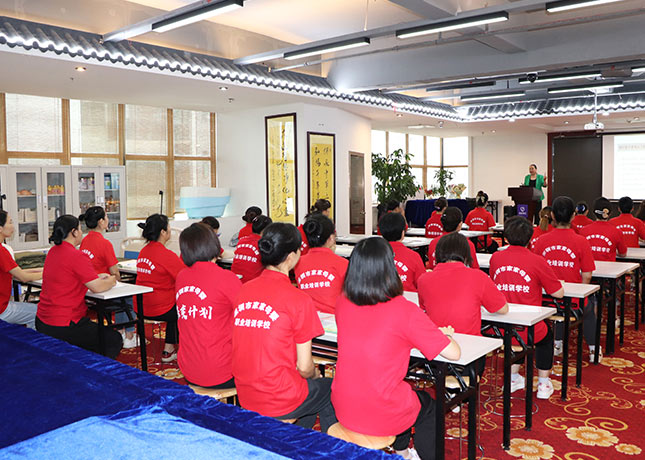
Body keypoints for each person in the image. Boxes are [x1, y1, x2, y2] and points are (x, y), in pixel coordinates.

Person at [332, 237, 460, 460]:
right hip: (381, 410)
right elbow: (454, 353)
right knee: (428, 406)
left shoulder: (343, 302)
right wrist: (446, 335)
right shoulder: (403, 310)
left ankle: (402, 453)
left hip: (343, 405)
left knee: (403, 396)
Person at [232, 223, 337, 432]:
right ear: (291, 256)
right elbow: (304, 368)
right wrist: (315, 376)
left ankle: (291, 437)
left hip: (245, 392)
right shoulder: (298, 299)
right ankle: (325, 446)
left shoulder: (243, 290)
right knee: (329, 389)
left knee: (309, 392)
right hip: (279, 396)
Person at [489, 216, 565, 399]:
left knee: (517, 336)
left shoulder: (496, 258)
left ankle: (513, 378)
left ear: (506, 237)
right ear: (530, 238)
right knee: (545, 337)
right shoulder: (537, 260)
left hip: (500, 324)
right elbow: (558, 293)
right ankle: (543, 384)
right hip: (528, 326)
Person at [418, 233, 508, 377]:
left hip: (435, 353)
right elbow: (502, 309)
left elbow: (424, 307)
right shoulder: (478, 277)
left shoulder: (423, 279)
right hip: (470, 356)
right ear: (466, 255)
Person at [36, 215, 121, 358]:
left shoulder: (53, 252)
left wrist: (96, 276)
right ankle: (95, 369)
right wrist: (112, 280)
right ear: (74, 232)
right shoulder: (77, 255)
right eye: (80, 229)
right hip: (65, 323)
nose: (82, 233)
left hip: (43, 320)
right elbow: (97, 287)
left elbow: (70, 274)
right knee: (113, 339)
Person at [531, 196, 600, 362]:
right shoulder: (581, 241)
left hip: (545, 299)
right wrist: (580, 292)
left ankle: (557, 343)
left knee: (560, 305)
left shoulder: (540, 241)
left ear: (552, 215)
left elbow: (534, 271)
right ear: (573, 216)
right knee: (589, 307)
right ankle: (594, 350)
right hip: (572, 302)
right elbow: (587, 275)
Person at [176, 223, 241, 389]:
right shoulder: (226, 278)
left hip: (188, 369)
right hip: (222, 371)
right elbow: (247, 314)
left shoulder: (182, 277)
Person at [79, 206, 136, 349]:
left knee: (122, 294)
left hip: (87, 289)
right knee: (128, 296)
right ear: (101, 221)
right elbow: (115, 273)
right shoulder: (104, 243)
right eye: (106, 217)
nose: (108, 219)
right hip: (102, 289)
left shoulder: (84, 241)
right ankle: (128, 335)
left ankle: (121, 332)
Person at [136, 214, 185, 362]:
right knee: (183, 308)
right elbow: (184, 276)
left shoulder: (143, 251)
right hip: (160, 308)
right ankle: (169, 349)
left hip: (140, 306)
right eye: (169, 226)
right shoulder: (166, 255)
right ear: (163, 232)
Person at [295, 214, 348, 313]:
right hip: (334, 318)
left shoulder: (298, 262)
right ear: (331, 238)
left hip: (308, 317)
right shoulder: (343, 264)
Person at [0, 210, 42, 329]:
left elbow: (16, 272)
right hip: (2, 309)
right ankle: (35, 340)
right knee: (38, 312)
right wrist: (46, 273)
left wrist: (41, 270)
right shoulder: (2, 251)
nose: (13, 226)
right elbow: (23, 277)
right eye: (10, 222)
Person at [379, 212, 426, 292]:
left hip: (379, 298)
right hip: (409, 298)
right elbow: (422, 284)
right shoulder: (413, 256)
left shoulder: (372, 255)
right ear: (403, 232)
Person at [231, 215, 272, 283]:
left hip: (235, 282)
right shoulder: (263, 244)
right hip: (253, 284)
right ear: (266, 230)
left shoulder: (241, 241)